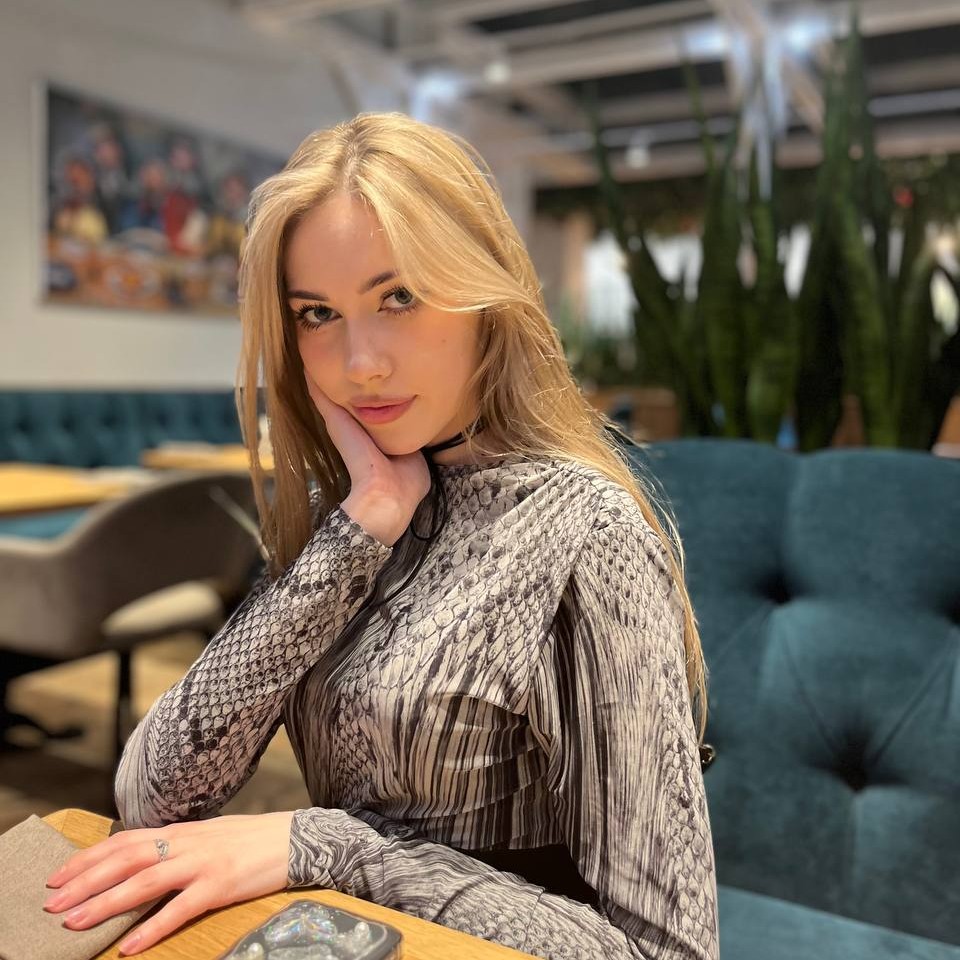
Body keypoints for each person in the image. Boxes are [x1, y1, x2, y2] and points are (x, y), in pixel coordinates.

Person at [42, 112, 719, 960]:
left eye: (398, 297)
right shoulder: (347, 507)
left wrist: (329, 847)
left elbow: (666, 952)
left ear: (484, 296)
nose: (360, 363)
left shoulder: (589, 531)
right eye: (317, 313)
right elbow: (152, 797)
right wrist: (360, 526)